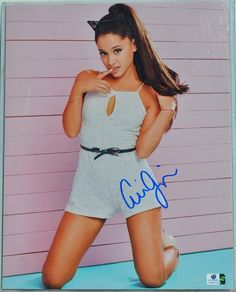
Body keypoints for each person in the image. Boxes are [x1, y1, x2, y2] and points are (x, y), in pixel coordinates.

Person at [42, 3, 189, 289]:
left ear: (133, 44)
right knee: (53, 278)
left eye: (117, 50)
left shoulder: (148, 93)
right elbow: (71, 130)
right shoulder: (89, 80)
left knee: (152, 278)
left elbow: (144, 150)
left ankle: (171, 249)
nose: (110, 60)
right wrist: (78, 87)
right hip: (90, 184)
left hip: (133, 182)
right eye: (103, 52)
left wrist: (167, 110)